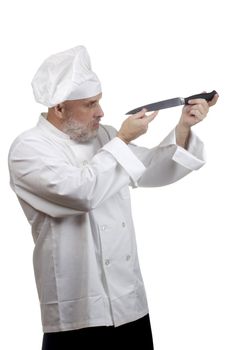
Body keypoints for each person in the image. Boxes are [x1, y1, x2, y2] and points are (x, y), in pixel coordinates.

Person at [8, 45, 218, 350]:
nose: (101, 112)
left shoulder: (103, 137)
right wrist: (123, 140)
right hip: (77, 312)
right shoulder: (29, 149)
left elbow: (151, 170)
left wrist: (183, 127)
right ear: (59, 108)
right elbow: (81, 193)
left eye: (100, 102)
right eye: (90, 104)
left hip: (129, 303)